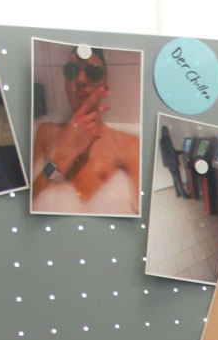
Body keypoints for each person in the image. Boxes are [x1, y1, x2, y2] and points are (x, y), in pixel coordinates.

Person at [32, 46, 140, 214]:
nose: (81, 79)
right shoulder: (45, 132)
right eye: (71, 70)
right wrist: (60, 158)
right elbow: (28, 203)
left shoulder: (129, 146)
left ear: (105, 89)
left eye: (93, 72)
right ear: (66, 84)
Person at [157, 123, 185, 198]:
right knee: (178, 178)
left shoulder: (162, 139)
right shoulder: (167, 138)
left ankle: (177, 193)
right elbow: (171, 151)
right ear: (166, 131)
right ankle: (183, 195)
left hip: (168, 163)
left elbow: (169, 151)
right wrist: (180, 152)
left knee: (174, 178)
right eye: (168, 130)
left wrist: (179, 152)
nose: (168, 132)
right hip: (172, 162)